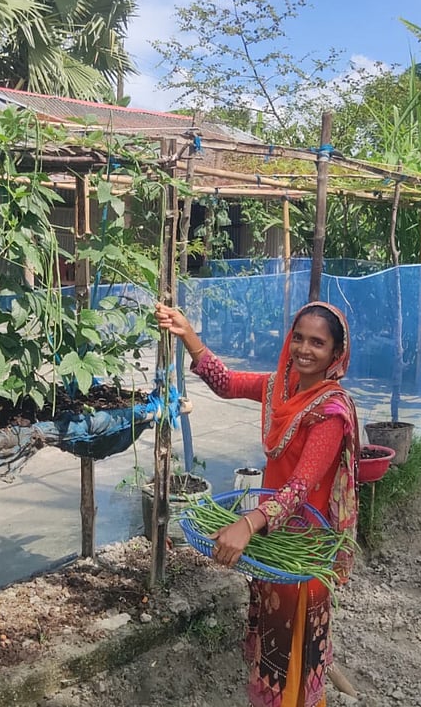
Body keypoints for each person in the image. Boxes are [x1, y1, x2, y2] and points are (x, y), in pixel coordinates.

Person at [154, 300, 360, 707]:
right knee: (272, 638)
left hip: (302, 550)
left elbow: (298, 489)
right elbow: (226, 383)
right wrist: (187, 333)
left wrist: (246, 524)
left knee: (292, 647)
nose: (304, 349)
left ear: (336, 353)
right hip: (272, 538)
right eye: (298, 338)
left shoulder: (330, 412)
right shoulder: (278, 388)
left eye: (317, 343)